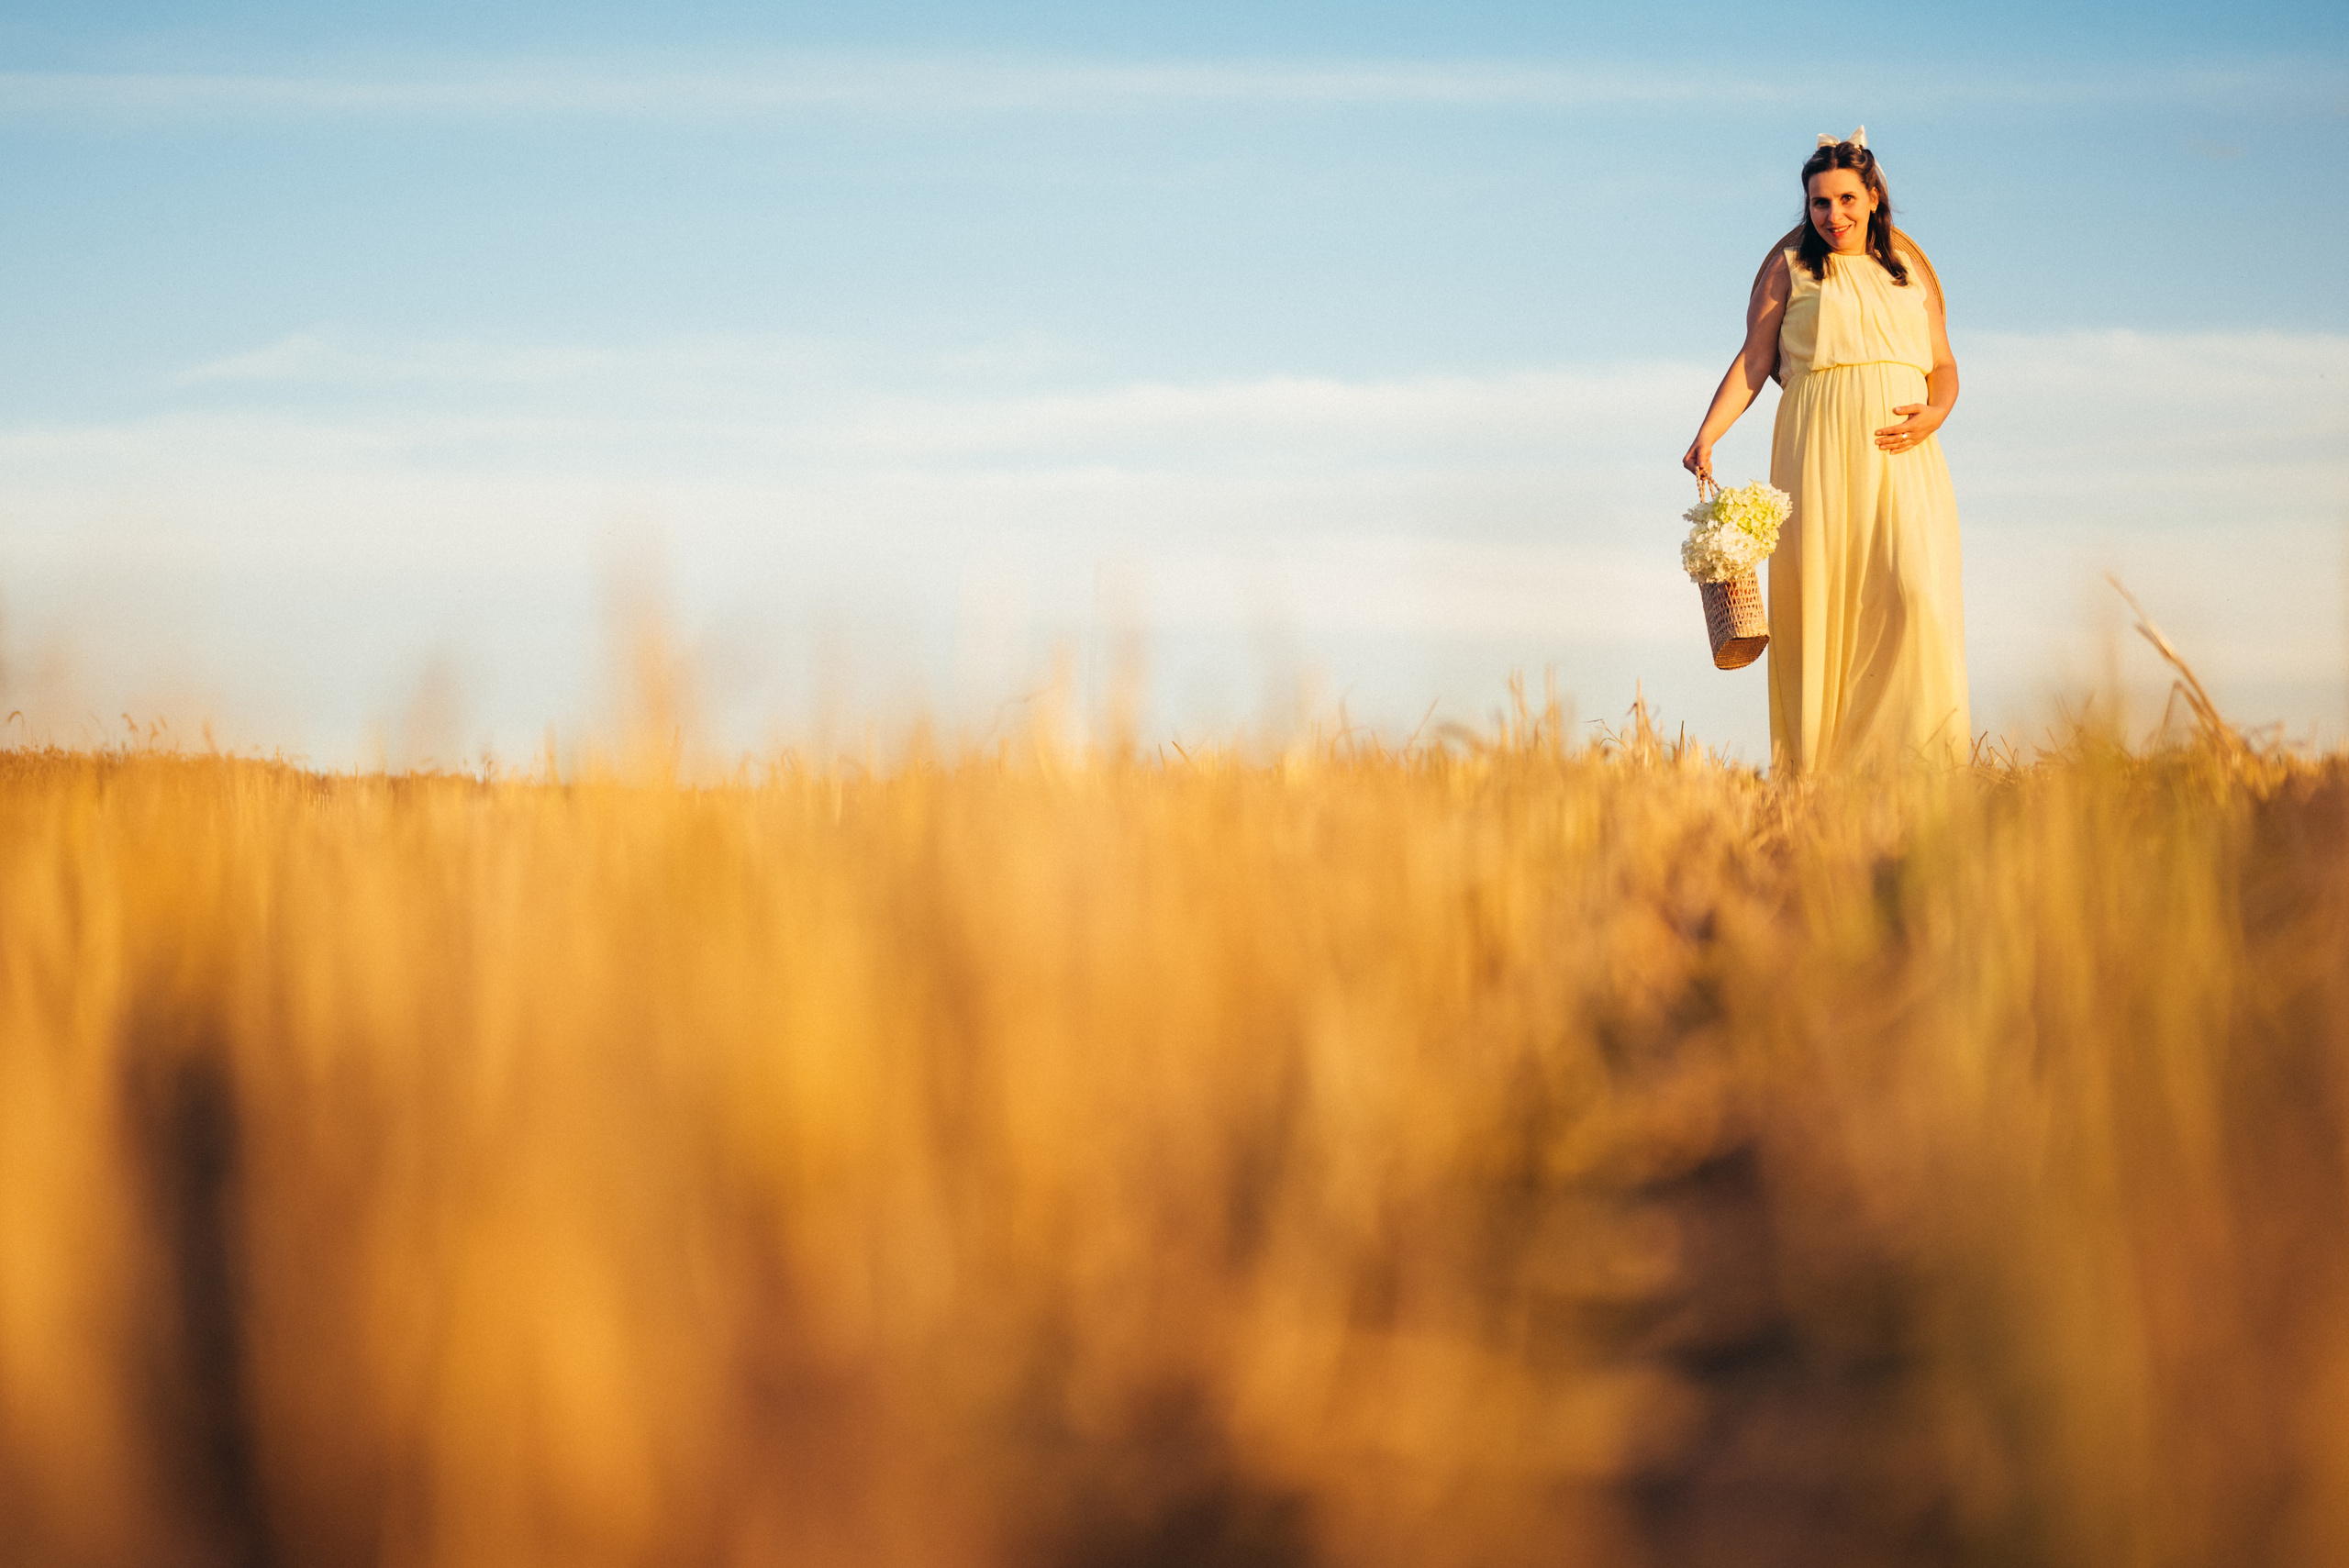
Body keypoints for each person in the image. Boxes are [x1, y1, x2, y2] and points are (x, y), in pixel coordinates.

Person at [1681, 128, 1970, 771]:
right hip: (1816, 448)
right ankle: (1828, 775)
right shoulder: (1792, 270)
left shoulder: (1910, 270)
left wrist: (1937, 412)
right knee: (1824, 602)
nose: (1832, 214)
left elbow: (1944, 364)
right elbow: (1755, 361)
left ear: (1873, 196)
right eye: (1818, 202)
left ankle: (1918, 766)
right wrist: (1709, 432)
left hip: (1906, 453)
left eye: (1845, 198)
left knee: (1915, 591)